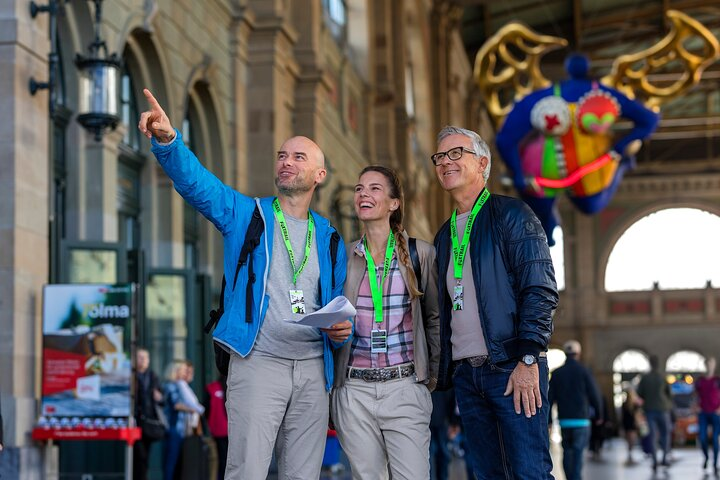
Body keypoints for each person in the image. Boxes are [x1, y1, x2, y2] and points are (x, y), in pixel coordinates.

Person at [139, 89, 352, 480]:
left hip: (311, 371)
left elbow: (337, 311)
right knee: (246, 471)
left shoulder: (331, 237)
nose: (286, 162)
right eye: (282, 155)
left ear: (319, 175)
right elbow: (199, 186)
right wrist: (169, 142)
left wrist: (340, 332)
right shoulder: (246, 215)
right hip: (258, 363)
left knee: (303, 475)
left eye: (298, 157)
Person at [432, 125, 558, 479]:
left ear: (482, 162)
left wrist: (529, 357)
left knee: (529, 472)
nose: (445, 162)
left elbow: (540, 288)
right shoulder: (443, 236)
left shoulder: (513, 215)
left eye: (456, 153)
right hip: (468, 375)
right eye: (440, 156)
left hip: (511, 366)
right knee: (488, 475)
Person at [331, 165, 440, 479]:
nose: (364, 193)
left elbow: (434, 319)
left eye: (375, 188)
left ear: (394, 203)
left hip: (405, 387)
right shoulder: (344, 256)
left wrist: (428, 378)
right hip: (354, 390)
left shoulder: (422, 255)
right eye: (359, 188)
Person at [547, 340, 601, 480]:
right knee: (578, 453)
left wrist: (549, 420)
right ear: (579, 353)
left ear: (565, 353)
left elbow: (550, 397)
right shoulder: (584, 371)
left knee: (567, 452)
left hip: (564, 420)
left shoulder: (557, 373)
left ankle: (570, 478)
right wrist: (599, 414)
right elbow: (594, 394)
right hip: (581, 420)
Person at [162, 360, 204, 480]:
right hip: (173, 428)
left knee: (177, 463)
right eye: (183, 370)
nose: (185, 373)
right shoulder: (171, 385)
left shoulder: (178, 385)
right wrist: (193, 409)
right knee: (171, 462)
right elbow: (176, 405)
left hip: (180, 429)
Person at [636, 354, 673, 472]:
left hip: (650, 410)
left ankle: (655, 460)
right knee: (665, 434)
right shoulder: (662, 377)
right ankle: (664, 458)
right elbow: (669, 394)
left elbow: (640, 394)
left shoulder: (645, 378)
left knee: (652, 435)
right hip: (663, 409)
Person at [133, 348, 164, 480]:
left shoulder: (152, 376)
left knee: (145, 455)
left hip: (149, 422)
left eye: (145, 357)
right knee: (137, 454)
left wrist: (159, 397)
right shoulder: (131, 375)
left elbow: (162, 398)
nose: (143, 360)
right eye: (140, 357)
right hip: (135, 420)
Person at [695, 356, 720, 474]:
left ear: (714, 365)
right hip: (703, 413)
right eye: (708, 363)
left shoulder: (717, 380)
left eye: (712, 363)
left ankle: (715, 463)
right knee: (703, 437)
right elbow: (694, 395)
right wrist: (696, 406)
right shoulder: (700, 381)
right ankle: (706, 457)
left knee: (715, 439)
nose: (710, 366)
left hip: (715, 413)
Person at [204, 375, 229, 480]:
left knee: (221, 458)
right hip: (229, 428)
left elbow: (206, 409)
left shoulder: (212, 388)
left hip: (218, 429)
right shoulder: (235, 387)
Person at [621, 386, 643, 465]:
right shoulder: (635, 404)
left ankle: (630, 453)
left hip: (627, 424)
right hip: (632, 424)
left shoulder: (625, 404)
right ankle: (630, 453)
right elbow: (638, 414)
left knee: (629, 440)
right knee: (632, 439)